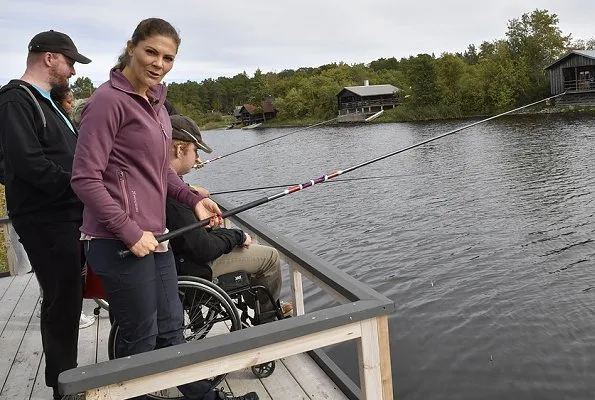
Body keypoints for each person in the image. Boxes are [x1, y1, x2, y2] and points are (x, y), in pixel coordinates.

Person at [70, 18, 257, 400]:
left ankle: (205, 397)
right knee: (139, 336)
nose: (159, 63)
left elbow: (159, 173)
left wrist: (194, 199)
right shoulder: (107, 102)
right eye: (151, 52)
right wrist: (128, 229)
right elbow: (84, 179)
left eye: (168, 57)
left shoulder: (156, 104)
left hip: (156, 237)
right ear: (131, 47)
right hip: (117, 240)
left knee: (172, 328)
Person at [0, 30, 91, 400]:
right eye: (70, 61)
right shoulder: (14, 101)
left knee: (63, 298)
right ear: (49, 57)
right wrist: (84, 186)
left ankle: (62, 379)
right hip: (46, 219)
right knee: (64, 298)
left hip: (64, 215)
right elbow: (28, 165)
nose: (72, 70)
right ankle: (64, 388)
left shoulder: (47, 100)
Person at [166, 114, 292, 322]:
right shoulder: (174, 196)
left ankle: (261, 305)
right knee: (270, 257)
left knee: (249, 246)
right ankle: (268, 319)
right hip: (195, 266)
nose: (197, 159)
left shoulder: (164, 182)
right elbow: (202, 249)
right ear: (180, 150)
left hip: (183, 259)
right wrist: (237, 236)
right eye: (195, 151)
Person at [50, 85, 96, 330]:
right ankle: (69, 314)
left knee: (66, 274)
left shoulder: (65, 125)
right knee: (66, 274)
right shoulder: (20, 103)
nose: (71, 106)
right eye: (69, 102)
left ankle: (67, 311)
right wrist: (74, 181)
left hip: (70, 208)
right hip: (60, 212)